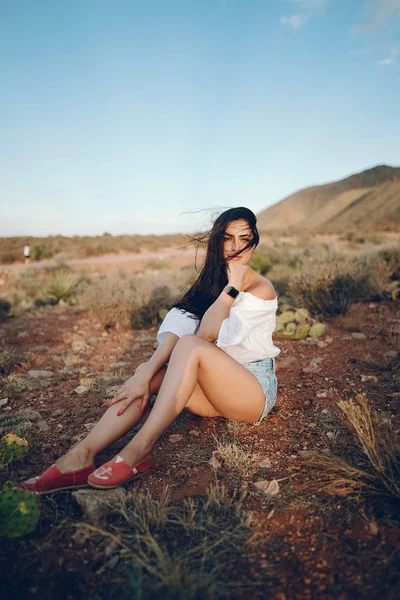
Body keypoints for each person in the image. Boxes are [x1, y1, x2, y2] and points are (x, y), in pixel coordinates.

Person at [20, 207, 280, 493]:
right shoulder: (213, 280)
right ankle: (79, 458)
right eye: (228, 238)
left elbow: (205, 335)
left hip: (251, 392)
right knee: (147, 376)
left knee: (192, 345)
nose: (236, 247)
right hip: (215, 392)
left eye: (244, 238)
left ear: (254, 242)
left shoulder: (259, 290)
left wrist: (232, 287)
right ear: (217, 242)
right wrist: (145, 373)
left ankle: (138, 451)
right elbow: (183, 322)